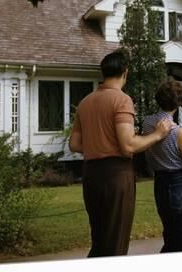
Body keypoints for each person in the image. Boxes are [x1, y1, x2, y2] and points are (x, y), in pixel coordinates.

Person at [68, 50, 174, 257]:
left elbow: (74, 143)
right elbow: (128, 146)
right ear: (125, 72)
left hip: (91, 176)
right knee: (115, 244)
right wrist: (158, 134)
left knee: (100, 240)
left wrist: (98, 144)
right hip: (115, 176)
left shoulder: (85, 102)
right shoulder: (122, 100)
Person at [142, 80, 182, 252]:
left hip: (160, 184)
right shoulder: (178, 132)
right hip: (181, 185)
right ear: (178, 103)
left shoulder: (147, 124)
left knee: (170, 238)